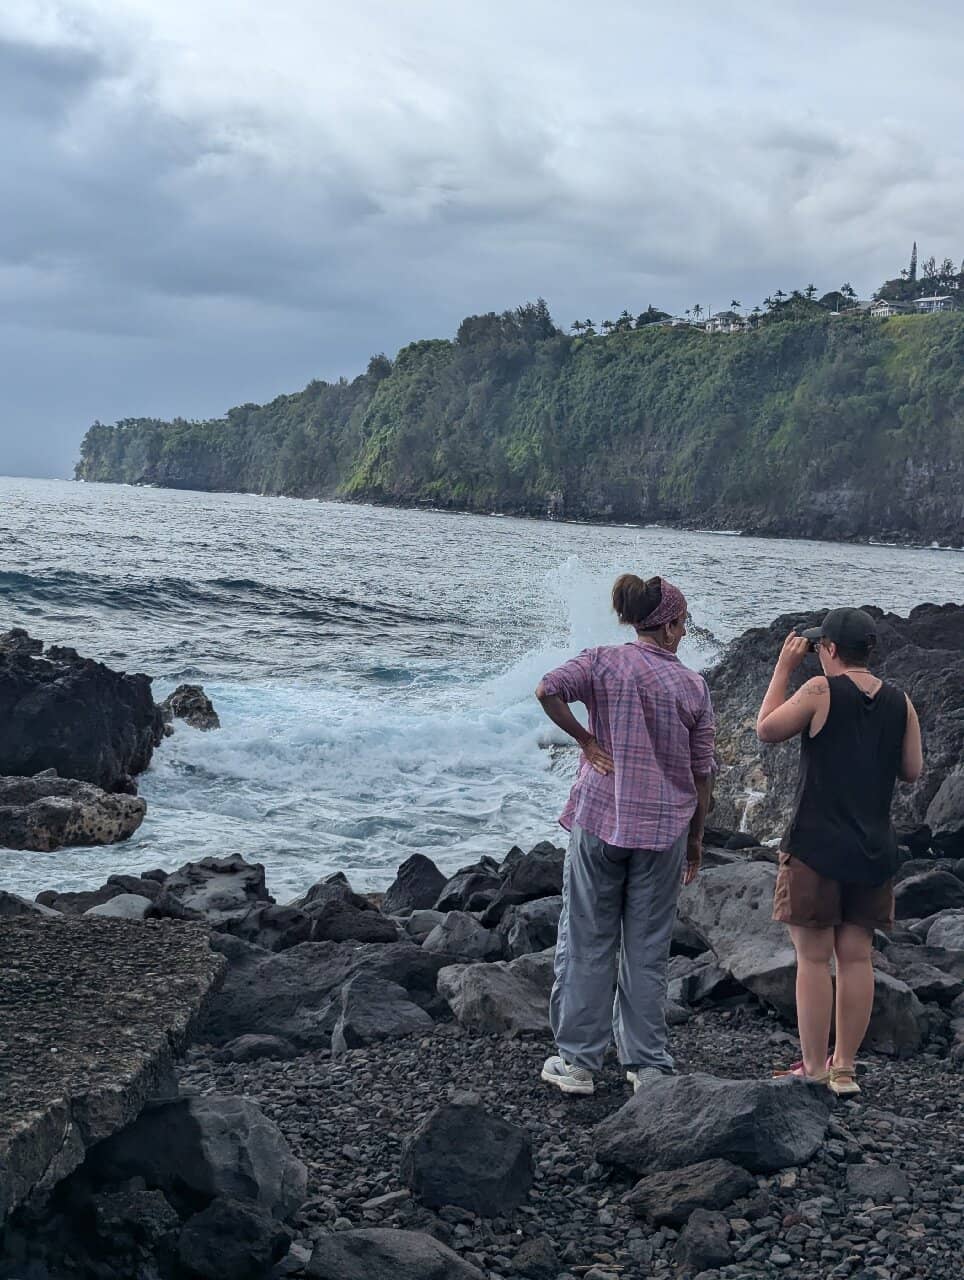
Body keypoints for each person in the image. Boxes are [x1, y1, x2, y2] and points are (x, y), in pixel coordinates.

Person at [534, 573, 715, 1096]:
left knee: (587, 937)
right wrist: (698, 839)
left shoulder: (601, 661)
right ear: (673, 624)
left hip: (600, 818)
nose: (684, 630)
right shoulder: (692, 686)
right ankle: (646, 1064)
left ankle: (579, 1063)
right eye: (684, 622)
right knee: (647, 946)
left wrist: (586, 741)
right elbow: (702, 773)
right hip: (664, 831)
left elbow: (547, 689)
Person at [757, 608, 923, 1096]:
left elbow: (766, 728)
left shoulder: (819, 690)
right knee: (856, 957)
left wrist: (785, 669)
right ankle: (845, 1067)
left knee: (812, 959)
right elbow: (912, 770)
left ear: (827, 649)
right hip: (873, 847)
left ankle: (813, 1066)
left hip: (816, 845)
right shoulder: (901, 700)